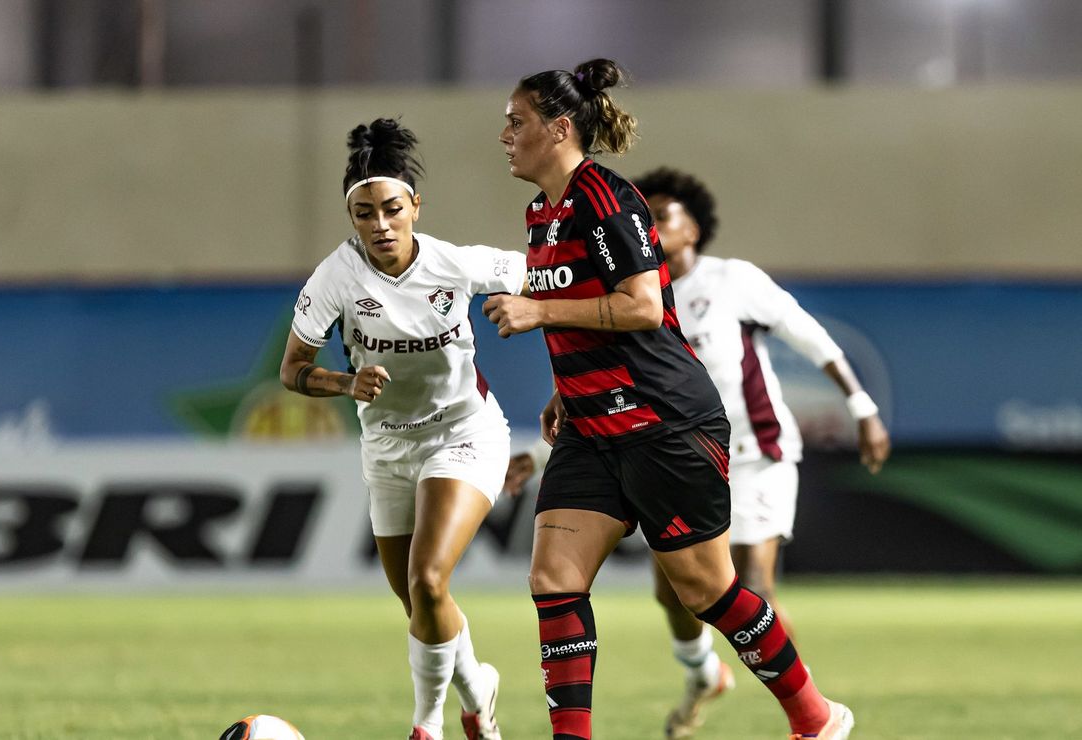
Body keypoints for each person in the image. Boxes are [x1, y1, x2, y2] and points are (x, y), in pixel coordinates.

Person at [484, 58, 854, 740]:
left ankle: (816, 717)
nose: (504, 134)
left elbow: (643, 306)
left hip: (663, 421)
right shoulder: (540, 212)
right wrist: (567, 391)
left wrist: (539, 312)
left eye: (516, 122)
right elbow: (586, 311)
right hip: (593, 429)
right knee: (552, 578)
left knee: (705, 591)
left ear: (560, 128)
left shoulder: (604, 195)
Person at [280, 118, 526, 740]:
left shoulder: (456, 264)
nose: (380, 225)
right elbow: (293, 371)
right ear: (353, 219)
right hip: (387, 446)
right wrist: (344, 384)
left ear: (416, 205)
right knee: (423, 605)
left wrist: (541, 307)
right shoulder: (335, 279)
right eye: (365, 214)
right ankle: (481, 695)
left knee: (428, 578)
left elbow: (549, 274)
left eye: (392, 208)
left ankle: (427, 726)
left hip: (463, 432)